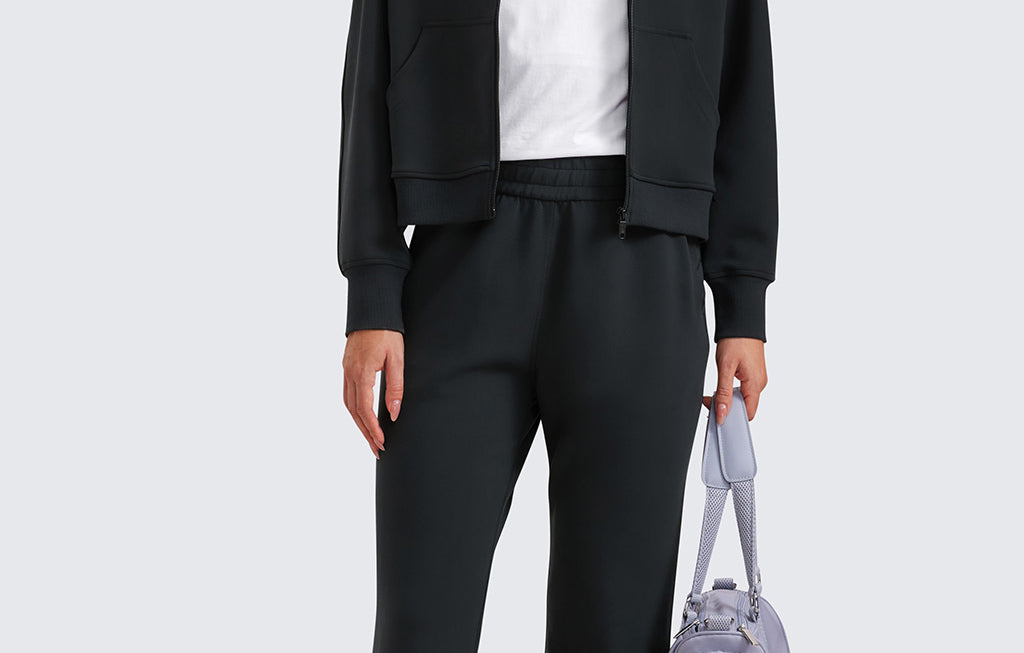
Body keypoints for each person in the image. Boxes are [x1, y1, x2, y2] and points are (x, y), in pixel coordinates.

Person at [337, 0, 778, 650]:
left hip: (641, 266)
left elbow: (745, 76)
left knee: (615, 627)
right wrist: (372, 286)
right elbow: (371, 60)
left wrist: (742, 303)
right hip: (458, 263)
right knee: (420, 622)